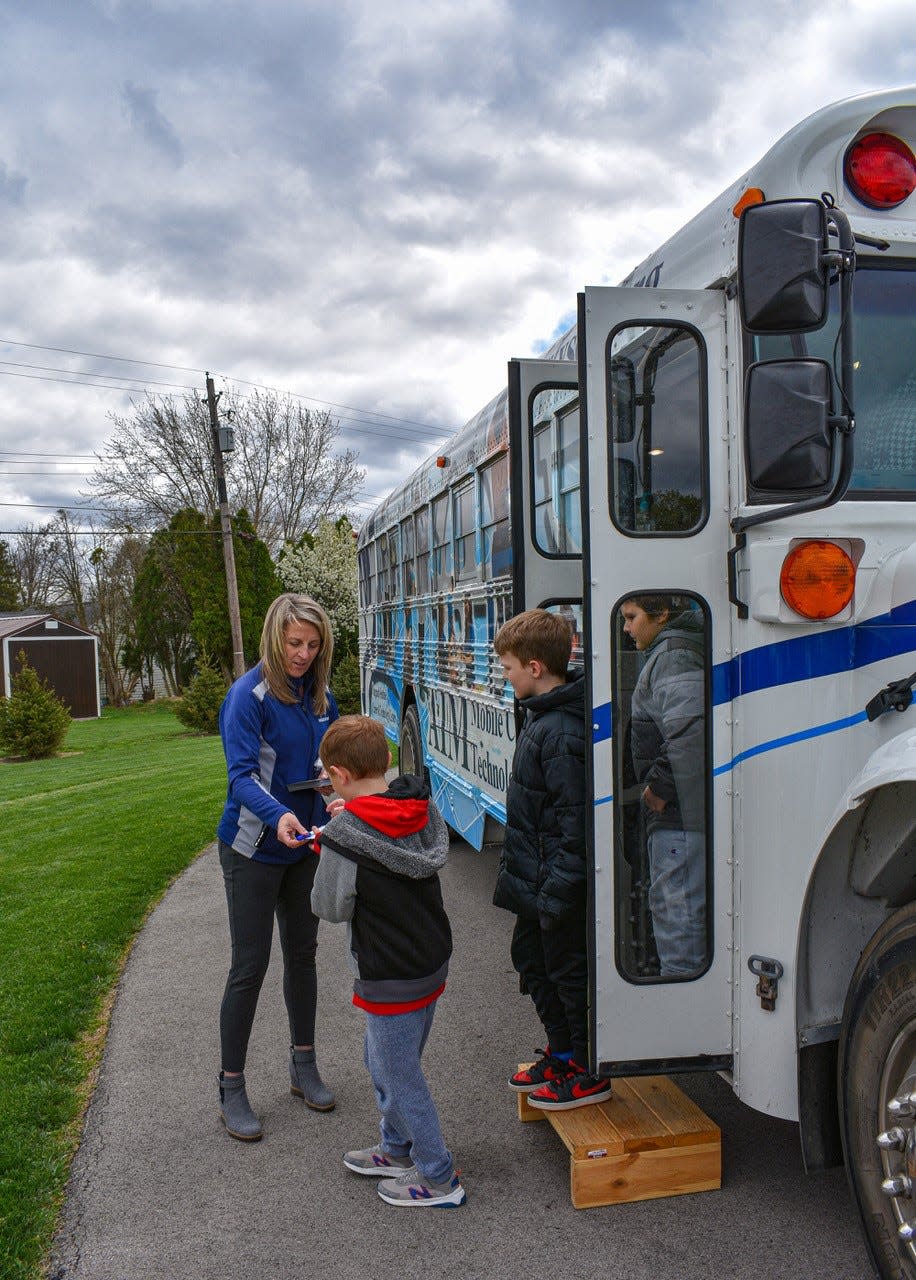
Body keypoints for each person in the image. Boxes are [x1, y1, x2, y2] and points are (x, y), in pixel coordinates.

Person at [310, 715, 466, 1208]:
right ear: (385, 761)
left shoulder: (345, 837)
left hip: (388, 973)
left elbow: (329, 907)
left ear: (339, 774)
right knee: (383, 1058)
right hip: (429, 960)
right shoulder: (417, 807)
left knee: (399, 1074)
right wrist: (347, 821)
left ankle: (438, 1175)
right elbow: (380, 824)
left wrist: (334, 840)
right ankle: (397, 1147)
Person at [215, 593, 338, 1141]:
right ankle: (231, 1085)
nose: (304, 654)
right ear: (274, 638)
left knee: (303, 954)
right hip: (253, 849)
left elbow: (323, 763)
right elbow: (241, 778)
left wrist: (336, 792)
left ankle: (303, 1065)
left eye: (313, 645)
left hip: (304, 845)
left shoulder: (321, 695)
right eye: (294, 643)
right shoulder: (247, 696)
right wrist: (281, 813)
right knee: (250, 964)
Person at [492, 609, 611, 1111]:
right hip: (535, 882)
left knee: (567, 974)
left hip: (554, 887)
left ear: (535, 668)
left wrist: (557, 892)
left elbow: (574, 825)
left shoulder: (561, 732)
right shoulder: (543, 719)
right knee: (533, 963)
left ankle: (589, 1070)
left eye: (509, 667)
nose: (505, 675)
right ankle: (562, 1054)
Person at [621, 594, 706, 978]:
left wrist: (658, 790)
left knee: (678, 922)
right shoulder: (668, 651)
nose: (625, 628)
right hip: (679, 813)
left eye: (632, 617)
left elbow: (689, 734)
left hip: (678, 817)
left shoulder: (672, 655)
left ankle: (686, 1022)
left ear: (663, 615)